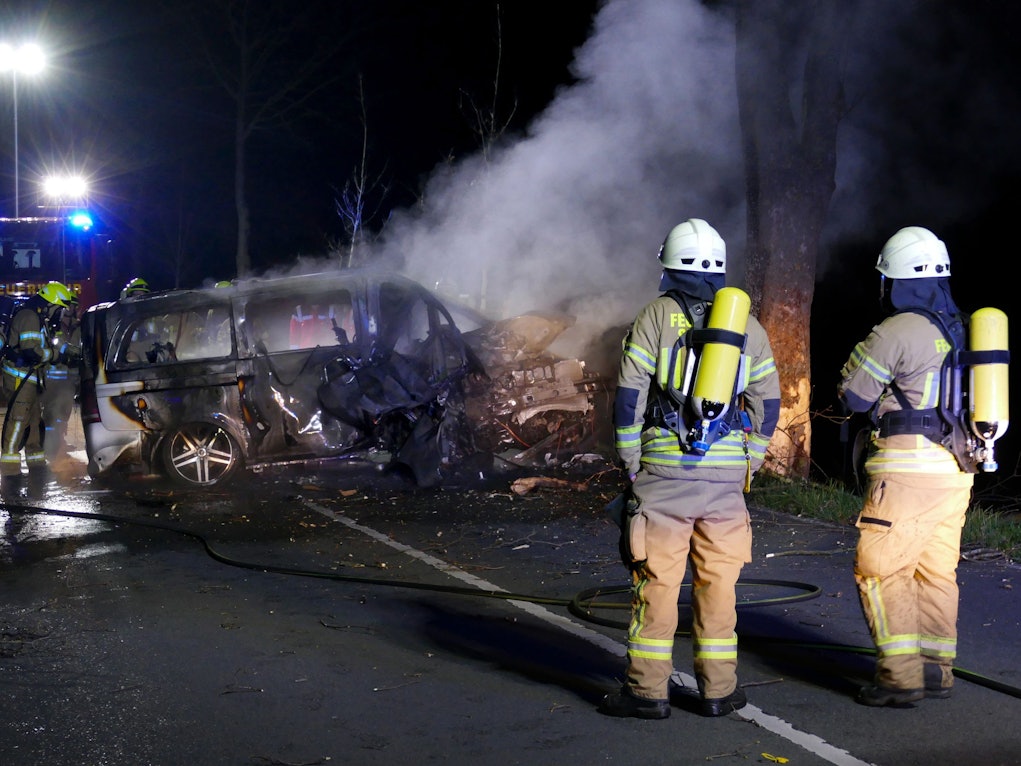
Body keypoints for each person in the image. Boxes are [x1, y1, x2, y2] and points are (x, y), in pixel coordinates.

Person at [600, 218, 780, 719]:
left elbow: (631, 394)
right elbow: (769, 398)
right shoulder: (748, 323)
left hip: (666, 473)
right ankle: (719, 691)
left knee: (657, 584)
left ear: (669, 264)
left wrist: (631, 460)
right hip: (725, 481)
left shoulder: (656, 316)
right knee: (718, 585)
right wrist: (753, 460)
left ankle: (647, 693)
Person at [837, 226, 974, 707]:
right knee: (935, 571)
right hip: (956, 469)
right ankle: (936, 670)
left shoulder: (897, 330)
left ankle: (899, 676)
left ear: (895, 280)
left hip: (906, 471)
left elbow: (855, 396)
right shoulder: (961, 326)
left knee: (880, 569)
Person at [1, 281, 76, 476]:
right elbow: (30, 351)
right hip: (20, 377)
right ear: (50, 303)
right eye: (59, 308)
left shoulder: (38, 319)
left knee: (34, 420)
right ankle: (9, 465)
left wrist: (69, 354)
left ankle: (35, 460)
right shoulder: (29, 317)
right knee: (18, 420)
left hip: (31, 377)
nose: (59, 313)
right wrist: (53, 356)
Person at [41, 289, 83, 467]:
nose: (72, 309)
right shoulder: (54, 327)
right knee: (51, 415)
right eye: (70, 305)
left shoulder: (78, 327)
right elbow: (52, 348)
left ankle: (59, 443)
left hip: (69, 380)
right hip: (53, 379)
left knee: (62, 415)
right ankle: (49, 447)